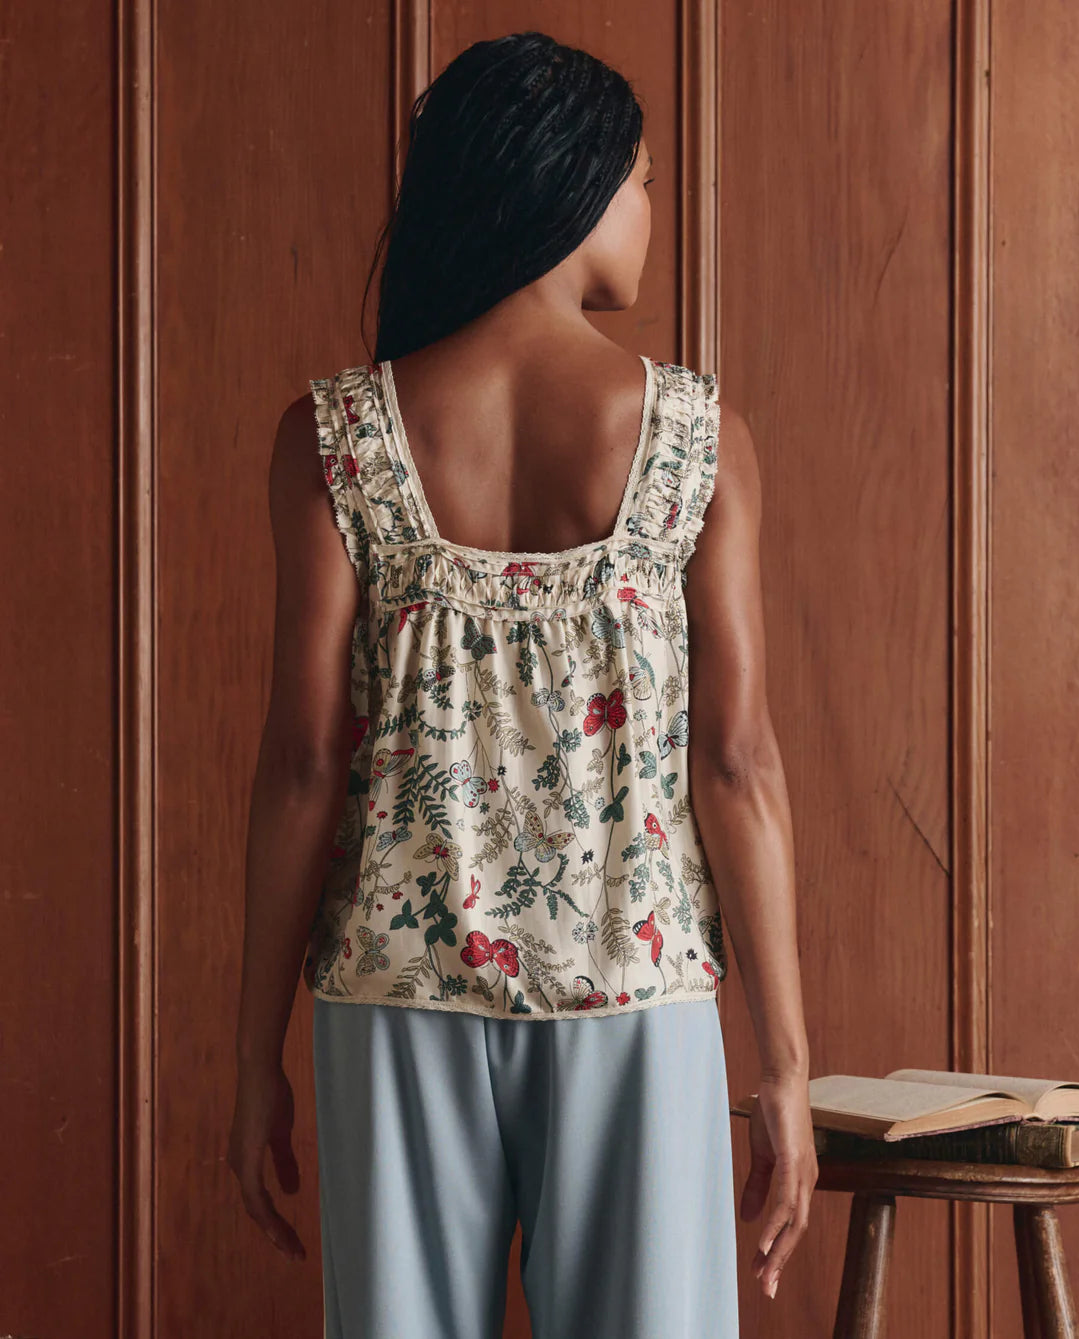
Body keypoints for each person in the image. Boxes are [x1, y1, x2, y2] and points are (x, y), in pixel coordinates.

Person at [228, 29, 817, 1339]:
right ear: (577, 181)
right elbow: (737, 765)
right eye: (644, 182)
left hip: (393, 989)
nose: (649, 211)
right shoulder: (696, 438)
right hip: (633, 988)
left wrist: (252, 1053)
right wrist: (784, 1066)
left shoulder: (335, 437)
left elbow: (302, 763)